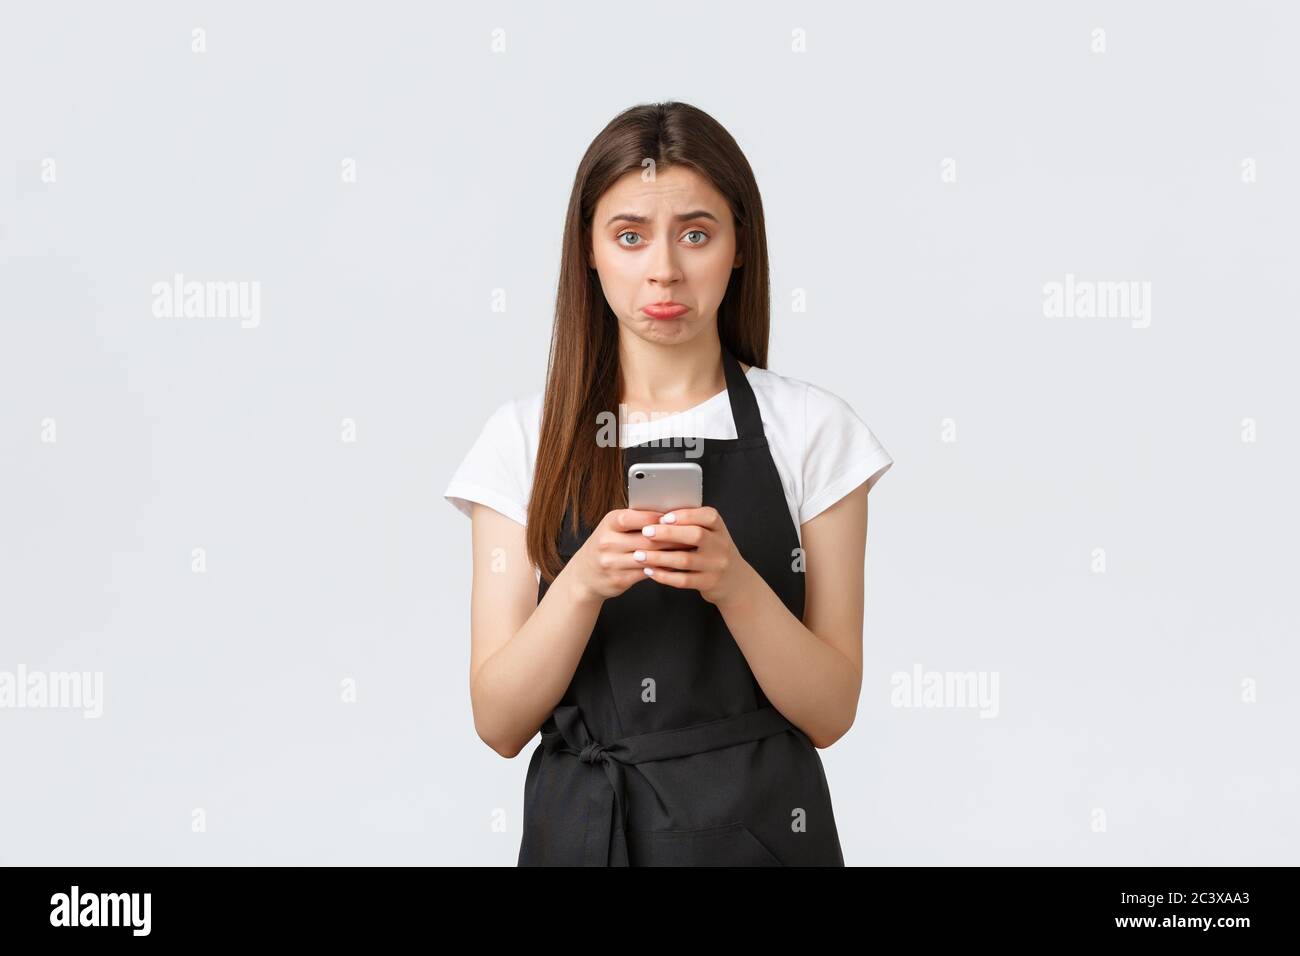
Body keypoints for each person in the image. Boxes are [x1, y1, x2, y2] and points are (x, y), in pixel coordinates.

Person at [443, 101, 893, 865]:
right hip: (582, 833)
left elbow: (830, 711)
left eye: (695, 233)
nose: (664, 269)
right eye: (629, 236)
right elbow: (499, 722)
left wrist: (735, 585)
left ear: (738, 245)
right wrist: (581, 584)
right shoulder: (522, 440)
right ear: (587, 250)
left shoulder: (815, 431)